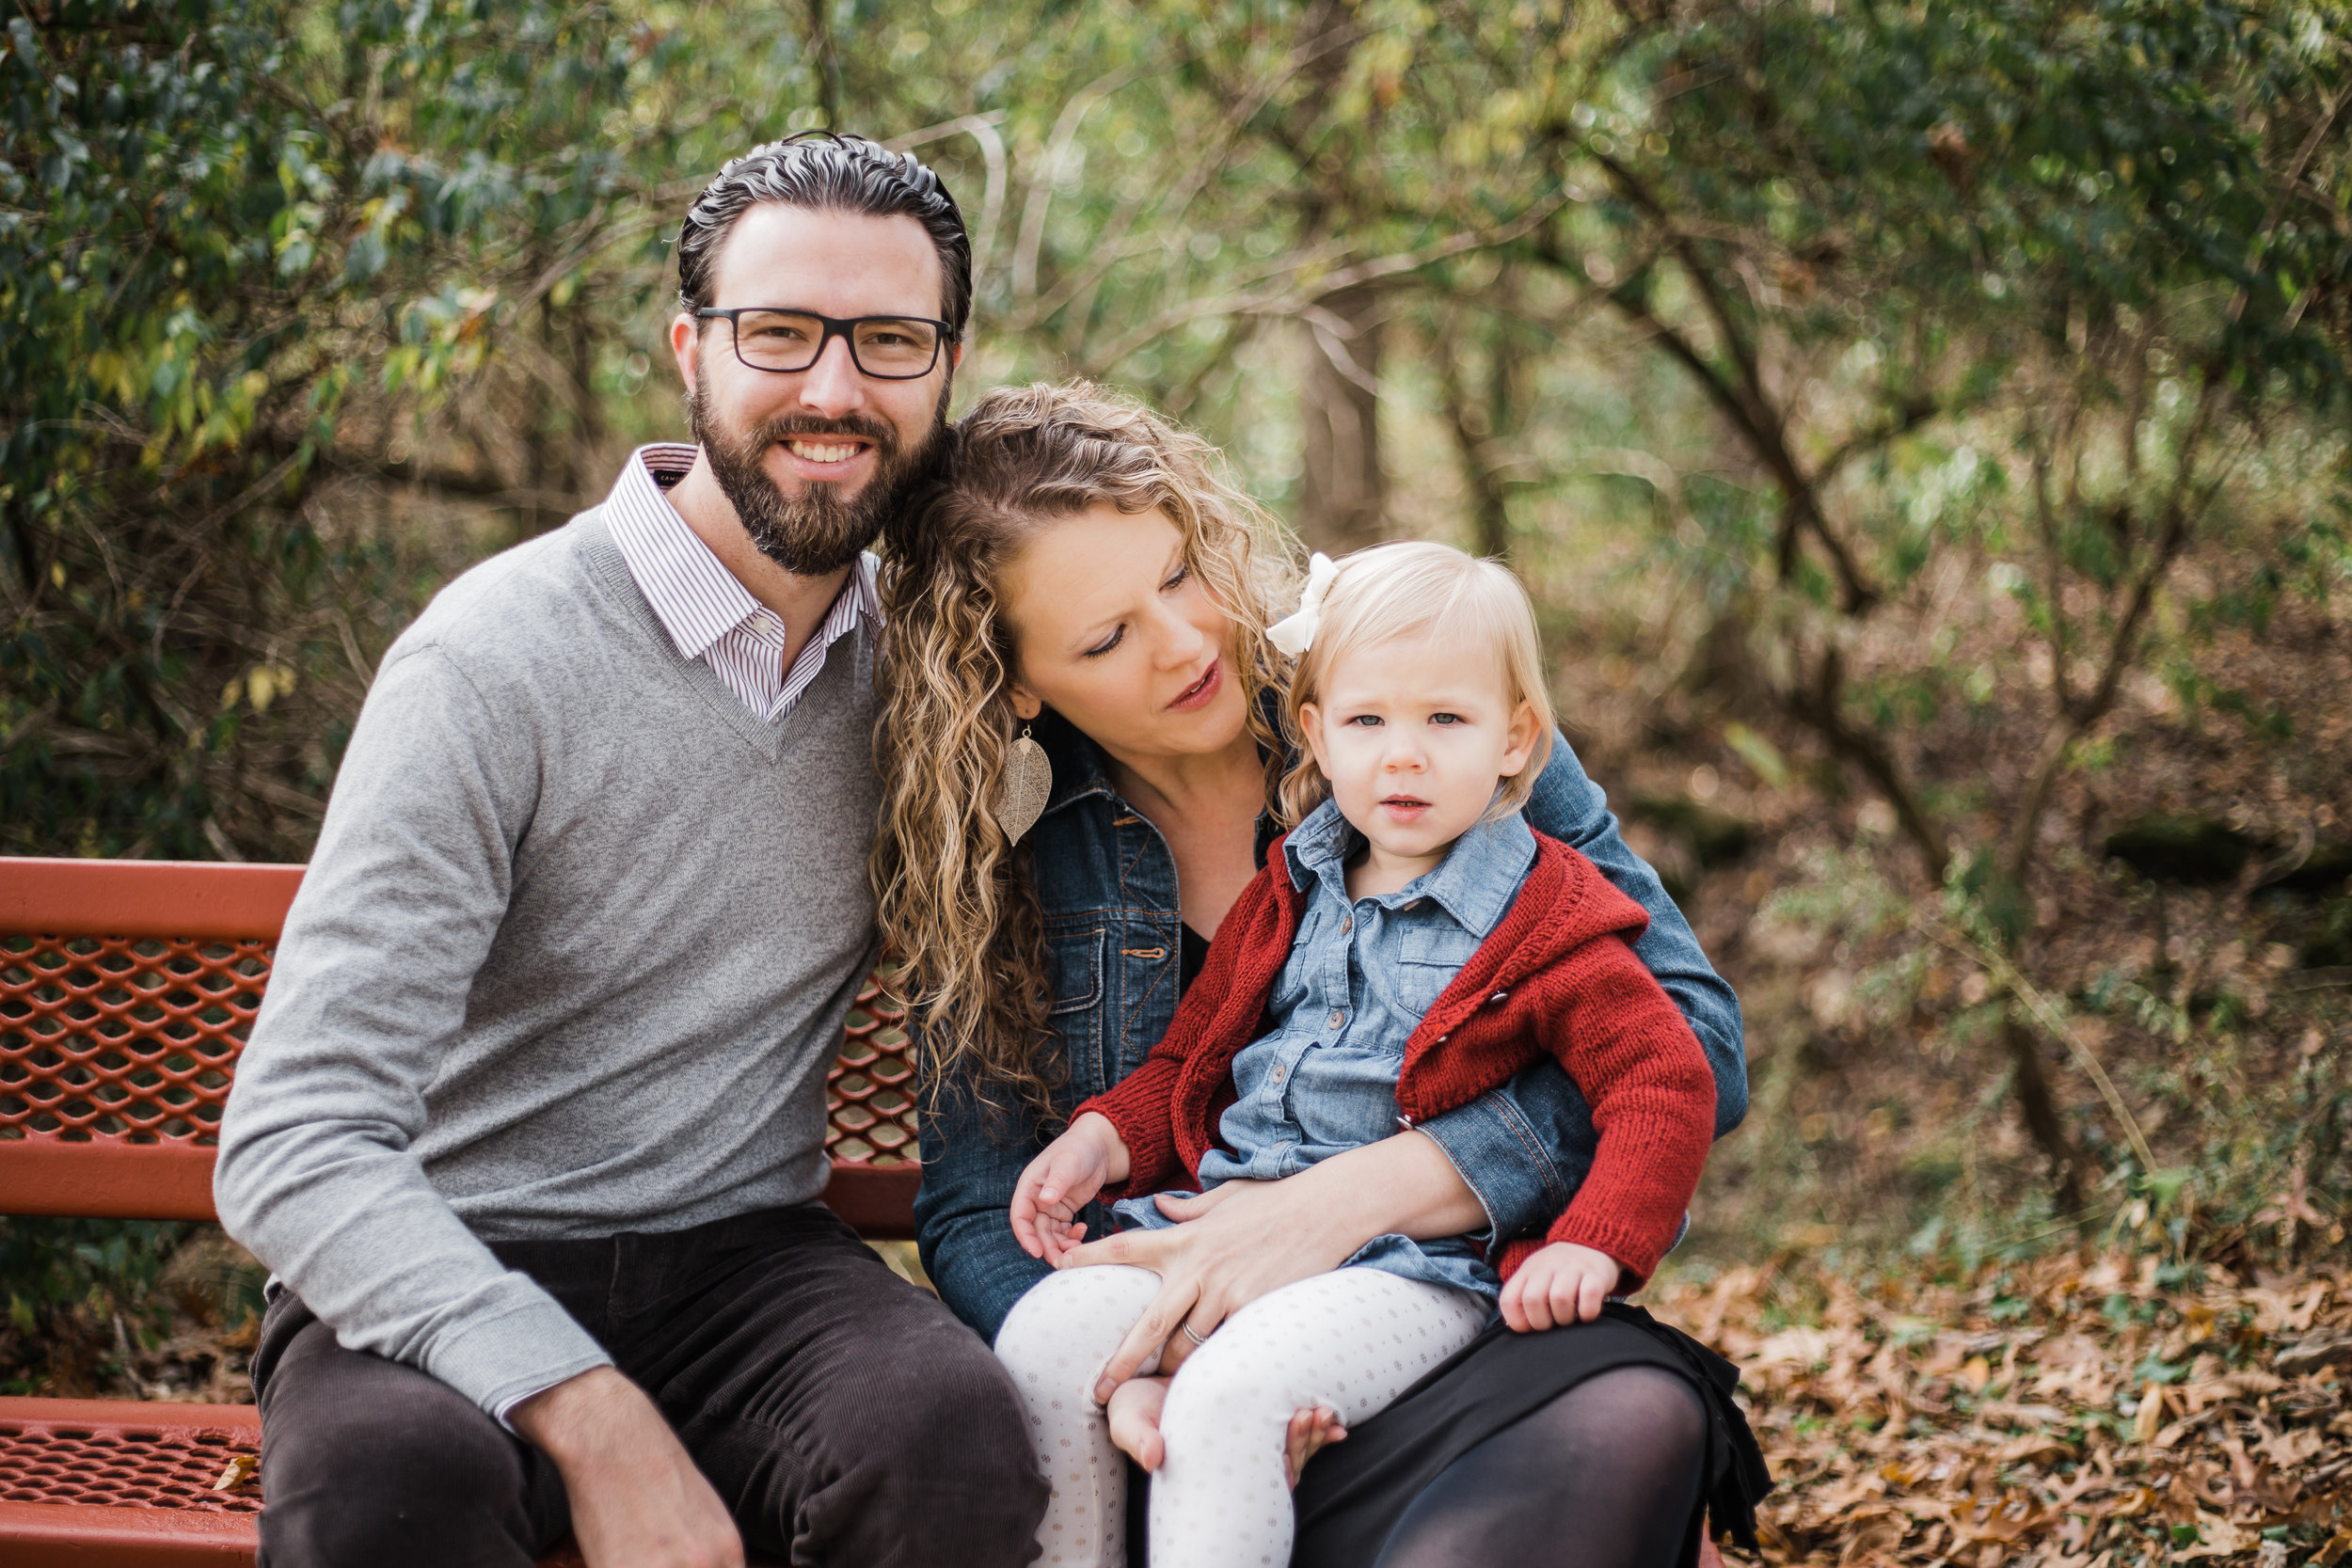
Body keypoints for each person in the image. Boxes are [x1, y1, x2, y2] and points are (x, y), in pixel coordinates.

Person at [213, 134, 1047, 1568]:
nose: (835, 391)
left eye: (891, 341)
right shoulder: (494, 659)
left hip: (742, 1269)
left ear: (946, 369)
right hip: (446, 1252)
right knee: (389, 1487)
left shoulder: (941, 671)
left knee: (949, 1434)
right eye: (779, 333)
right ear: (690, 350)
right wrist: (593, 1413)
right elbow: (291, 1142)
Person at [875, 381, 1770, 1568]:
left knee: (1625, 1424)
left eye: (1181, 573)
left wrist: (1361, 1193)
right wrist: (1132, 1351)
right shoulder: (1012, 876)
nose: (1187, 641)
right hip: (1176, 1389)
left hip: (1457, 1306)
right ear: (1018, 682)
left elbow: (1695, 1043)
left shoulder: (1411, 716)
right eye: (1106, 637)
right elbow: (978, 1207)